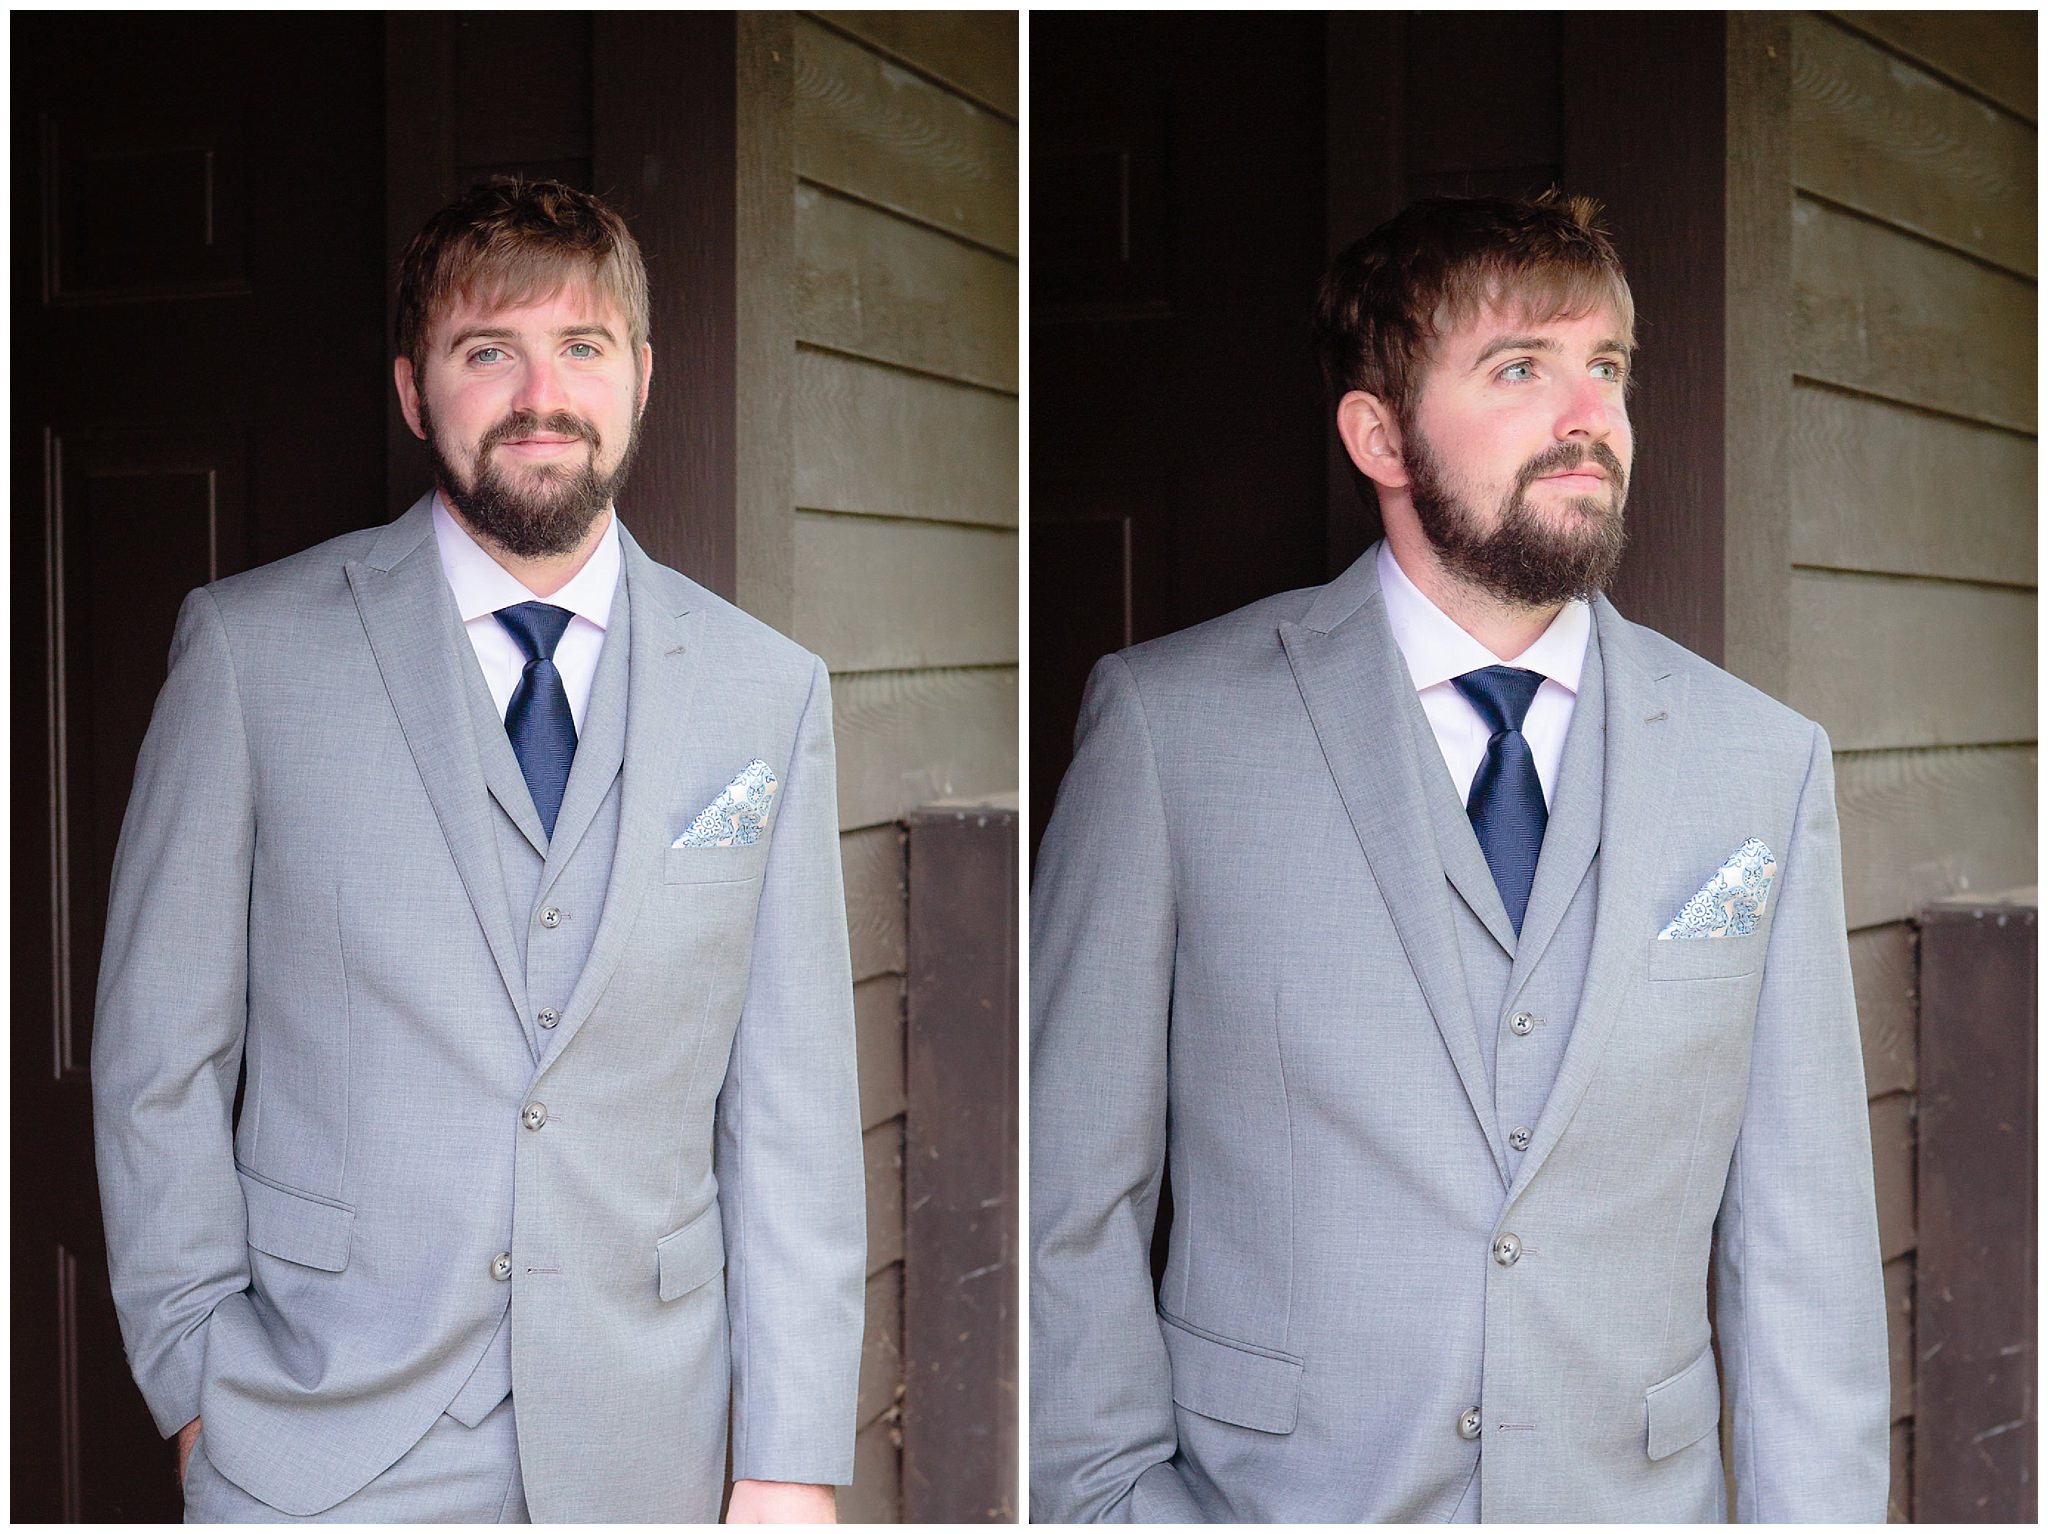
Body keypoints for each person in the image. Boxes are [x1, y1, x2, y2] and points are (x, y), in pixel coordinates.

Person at [1029, 191, 1888, 1523]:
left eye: (1605, 367)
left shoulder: (1761, 765)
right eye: (1519, 368)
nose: (1586, 413)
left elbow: (1804, 1248)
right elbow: (1067, 1197)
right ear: (1378, 433)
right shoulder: (1168, 731)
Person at [92, 178, 864, 1523]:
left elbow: (791, 1111)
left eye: (582, 346)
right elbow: (158, 1055)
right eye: (485, 350)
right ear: (412, 389)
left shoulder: (768, 693)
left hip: (649, 1451)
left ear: (642, 377)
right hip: (315, 1440)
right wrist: (196, 1376)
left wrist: (787, 1462)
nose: (538, 391)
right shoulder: (247, 655)